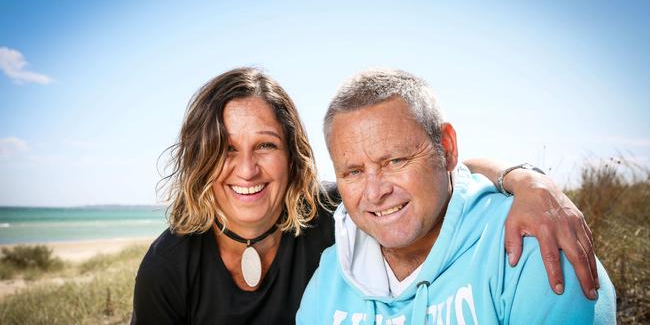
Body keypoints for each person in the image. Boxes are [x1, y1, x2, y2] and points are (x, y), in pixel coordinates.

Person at [132, 68, 600, 324]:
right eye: (225, 150)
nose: (248, 169)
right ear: (201, 160)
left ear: (294, 156)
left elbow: (437, 167)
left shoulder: (337, 212)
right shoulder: (171, 264)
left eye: (266, 146)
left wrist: (528, 181)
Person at [296, 69, 615, 324]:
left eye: (395, 161)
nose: (376, 192)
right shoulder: (329, 277)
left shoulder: (533, 246)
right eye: (353, 172)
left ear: (446, 148)